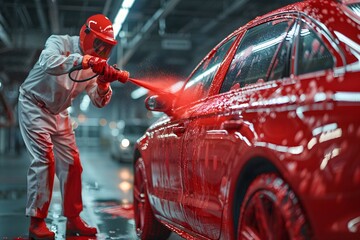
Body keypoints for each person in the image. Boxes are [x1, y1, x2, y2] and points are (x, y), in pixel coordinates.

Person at [17, 14, 129, 239]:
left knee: (72, 164)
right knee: (44, 160)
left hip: (60, 112)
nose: (100, 50)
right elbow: (47, 62)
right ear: (85, 34)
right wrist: (83, 61)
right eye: (98, 43)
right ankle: (36, 222)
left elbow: (98, 101)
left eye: (105, 48)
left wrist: (104, 83)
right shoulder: (59, 42)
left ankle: (73, 219)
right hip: (34, 105)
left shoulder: (96, 66)